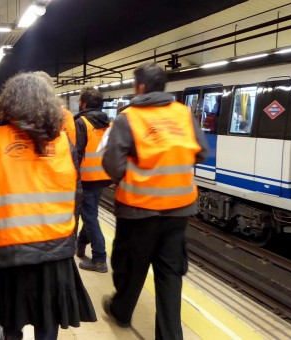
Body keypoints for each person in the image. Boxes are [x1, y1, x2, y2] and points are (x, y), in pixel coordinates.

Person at [0, 73, 97, 340]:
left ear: (9, 102)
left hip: (9, 247)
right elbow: (77, 194)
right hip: (55, 246)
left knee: (12, 318)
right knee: (48, 316)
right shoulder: (64, 142)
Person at [101, 63, 209, 338]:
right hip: (178, 209)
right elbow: (201, 152)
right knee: (170, 273)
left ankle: (122, 312)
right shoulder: (183, 113)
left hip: (139, 209)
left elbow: (113, 165)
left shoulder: (129, 117)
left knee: (131, 265)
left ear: (140, 87)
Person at [74, 87, 111, 273]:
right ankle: (81, 243)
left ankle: (99, 258)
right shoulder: (108, 123)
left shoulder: (82, 123)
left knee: (89, 217)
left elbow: (77, 153)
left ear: (84, 104)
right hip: (103, 176)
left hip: (86, 177)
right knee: (90, 214)